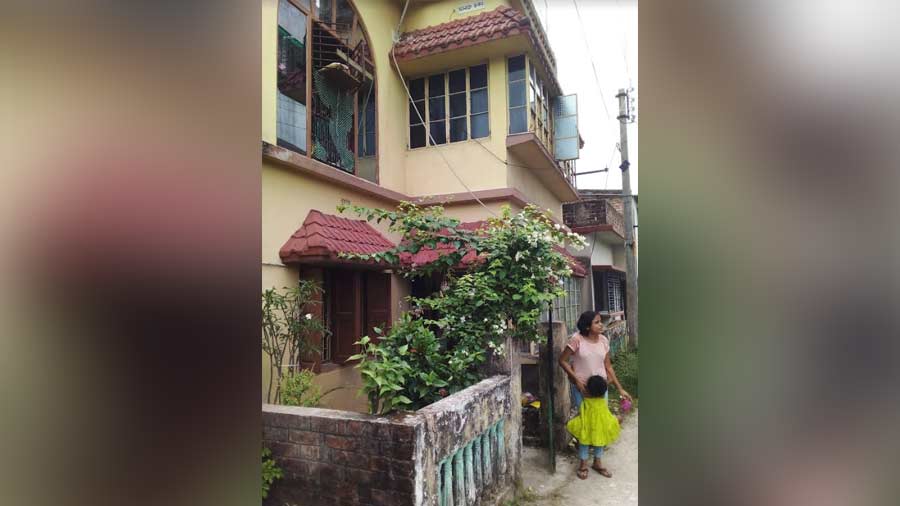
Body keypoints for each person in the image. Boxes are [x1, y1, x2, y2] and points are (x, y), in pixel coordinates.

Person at [558, 310, 633, 477]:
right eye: (597, 322)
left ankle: (598, 461)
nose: (601, 325)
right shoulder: (576, 340)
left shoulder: (604, 341)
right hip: (583, 390)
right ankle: (583, 463)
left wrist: (620, 388)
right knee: (586, 424)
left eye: (600, 321)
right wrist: (576, 379)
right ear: (587, 326)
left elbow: (608, 366)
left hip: (601, 389)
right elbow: (562, 360)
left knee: (600, 423)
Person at [566, 375, 621, 479]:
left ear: (587, 390)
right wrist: (616, 419)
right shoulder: (603, 402)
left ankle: (587, 465)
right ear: (604, 391)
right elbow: (608, 415)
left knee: (584, 443)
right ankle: (593, 463)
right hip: (599, 428)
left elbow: (578, 390)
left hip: (586, 428)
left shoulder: (584, 401)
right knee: (600, 442)